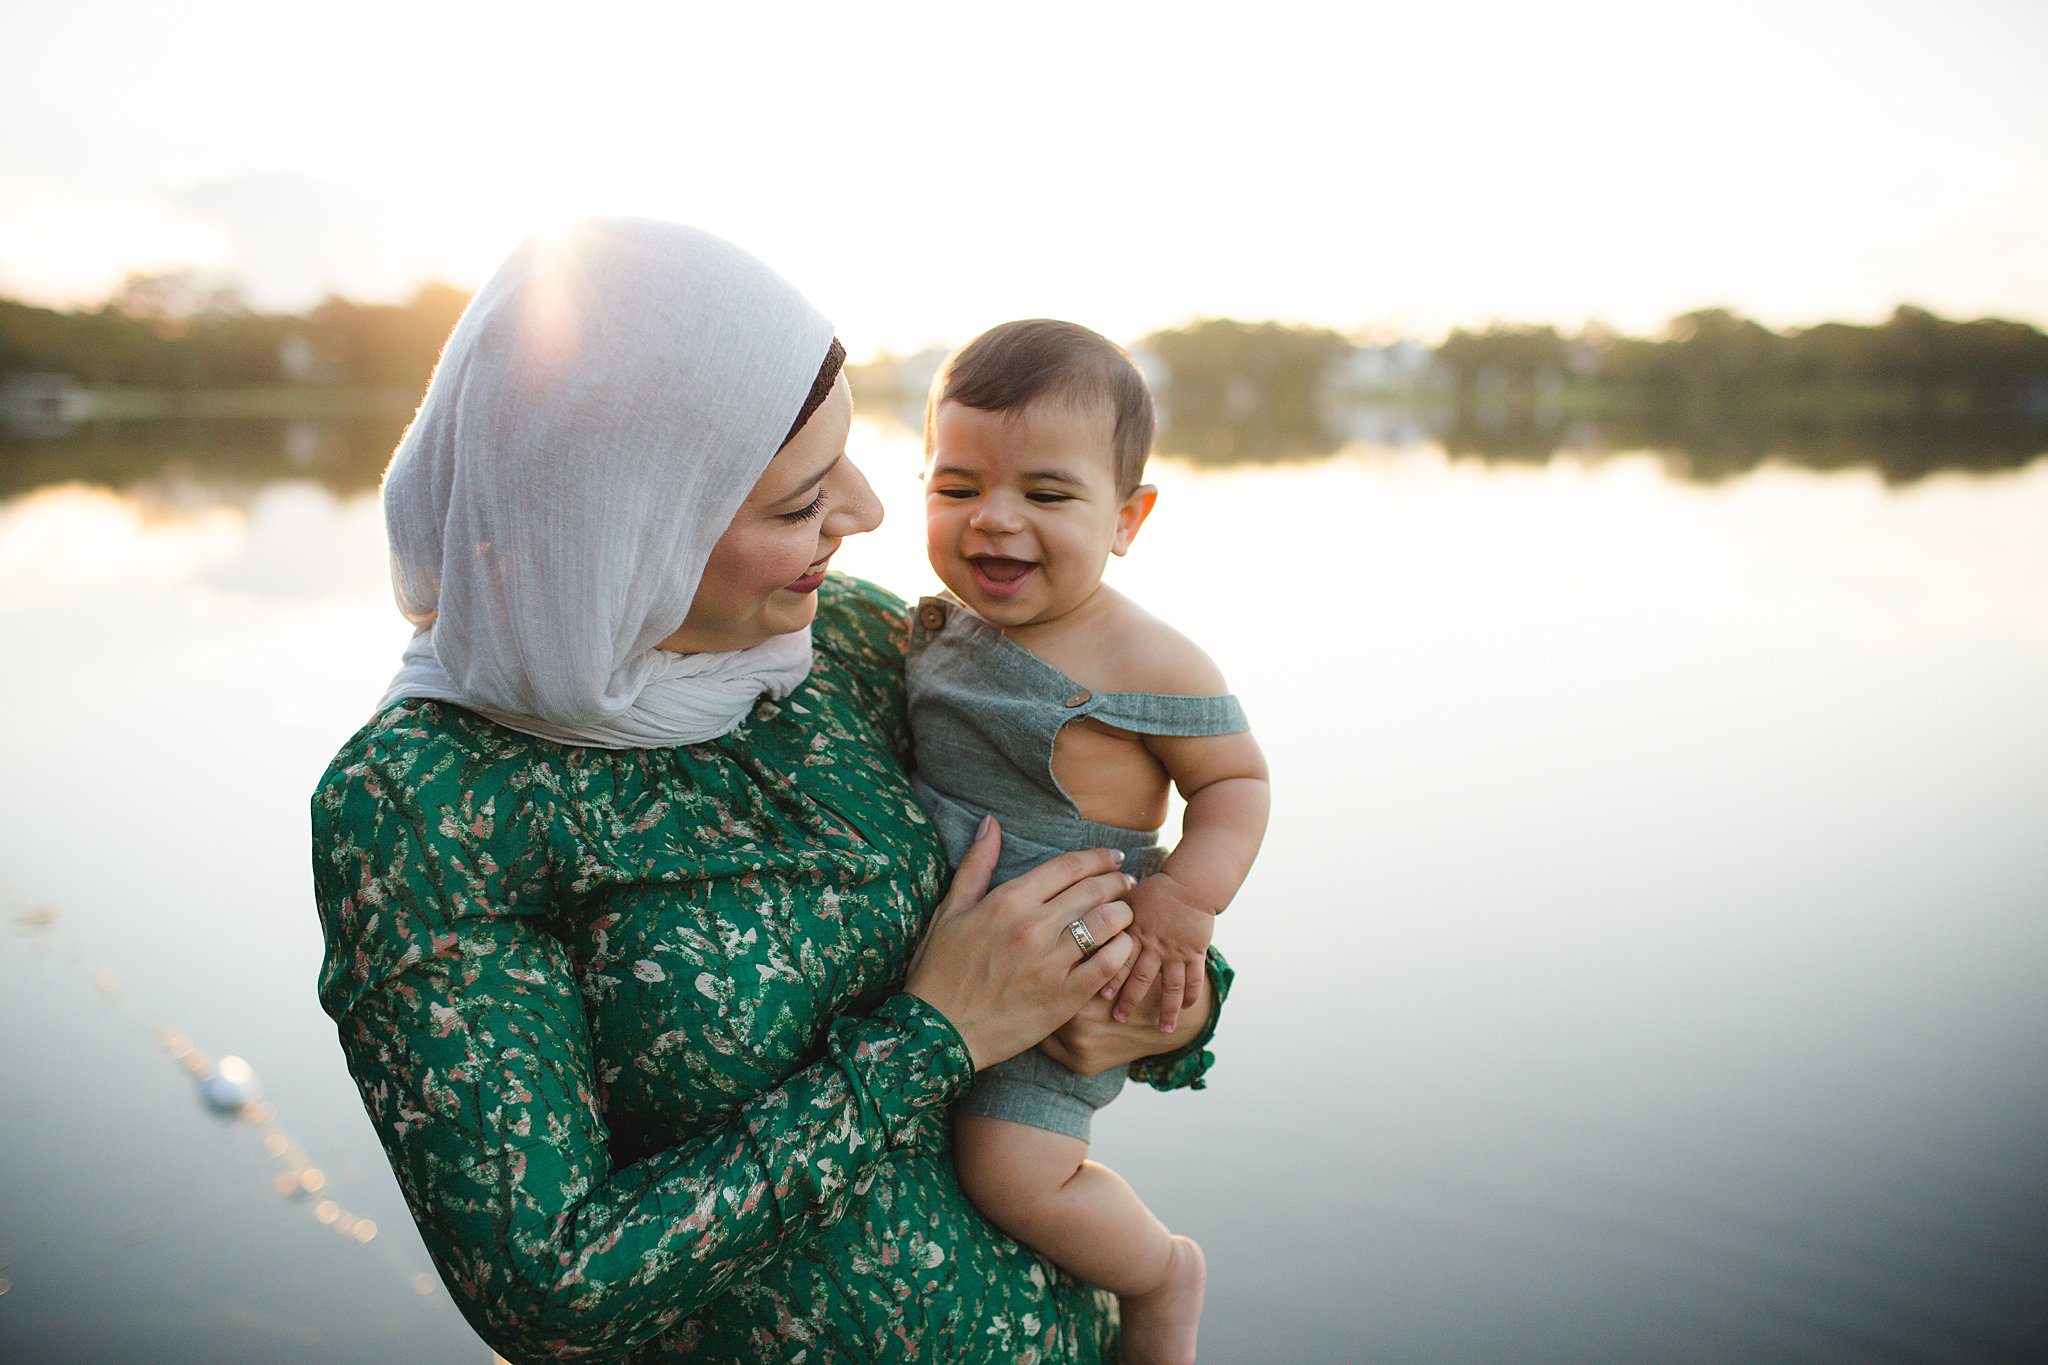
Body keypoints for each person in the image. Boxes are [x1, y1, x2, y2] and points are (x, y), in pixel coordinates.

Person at [309, 220, 1230, 1364]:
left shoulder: (842, 642)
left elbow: (1084, 866)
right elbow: (550, 1291)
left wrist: (1151, 1001)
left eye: (848, 459)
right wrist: (931, 1037)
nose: (865, 514)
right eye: (799, 504)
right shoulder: (429, 803)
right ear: (626, 529)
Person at [909, 321, 1271, 1365]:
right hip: (962, 966)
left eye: (1046, 494)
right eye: (956, 484)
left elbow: (1235, 782)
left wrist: (1184, 905)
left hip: (1070, 964)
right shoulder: (936, 625)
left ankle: (1159, 1276)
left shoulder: (1144, 656)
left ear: (1127, 517)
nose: (993, 520)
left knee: (1007, 1169)